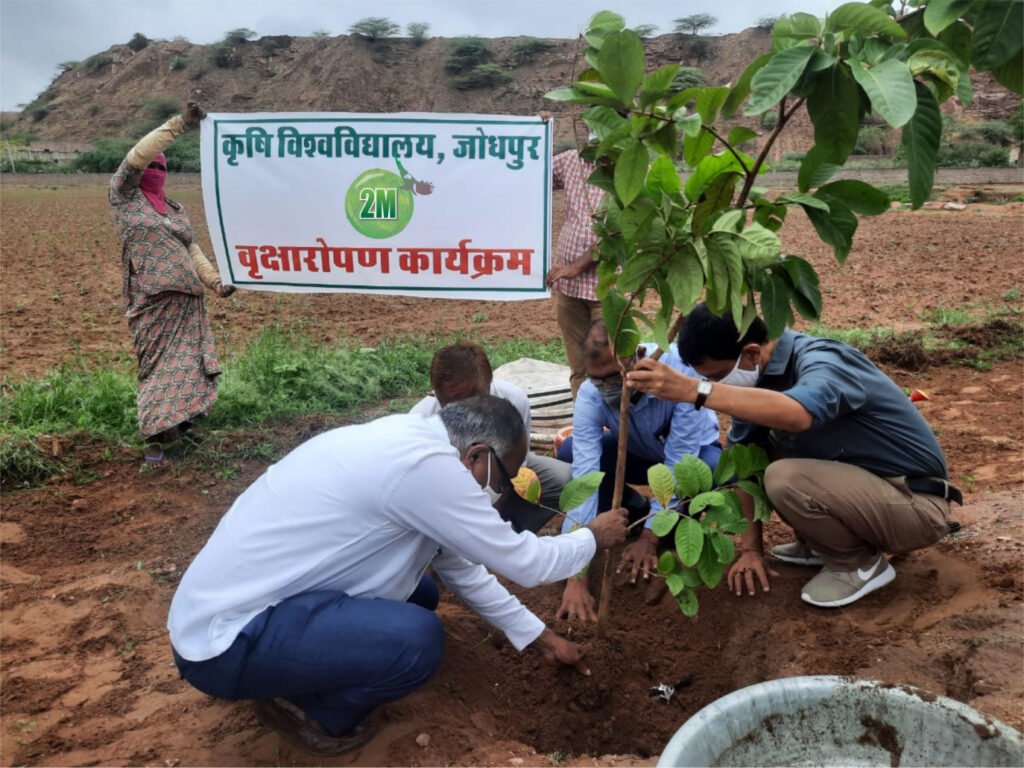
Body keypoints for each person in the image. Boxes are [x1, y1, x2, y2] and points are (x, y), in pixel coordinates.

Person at [168, 396, 628, 756]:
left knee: (420, 594)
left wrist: (543, 639)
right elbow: (527, 564)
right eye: (503, 479)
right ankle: (312, 711)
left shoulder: (410, 440)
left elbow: (462, 569)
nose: (502, 493)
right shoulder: (427, 469)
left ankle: (291, 671)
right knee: (417, 640)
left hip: (237, 606)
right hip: (223, 643)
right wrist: (591, 537)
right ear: (477, 455)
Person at [625, 302, 961, 609]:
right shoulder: (758, 383)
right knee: (758, 457)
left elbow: (798, 414)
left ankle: (857, 564)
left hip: (914, 506)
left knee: (783, 477)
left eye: (715, 376)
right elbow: (743, 466)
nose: (712, 383)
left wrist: (693, 390)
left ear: (752, 353)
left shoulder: (822, 360)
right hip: (872, 498)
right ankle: (822, 542)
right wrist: (751, 550)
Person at [555, 320, 722, 622]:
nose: (606, 388)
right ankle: (636, 508)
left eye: (613, 378)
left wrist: (648, 539)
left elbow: (678, 461)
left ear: (637, 356)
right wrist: (576, 575)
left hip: (692, 456)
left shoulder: (679, 372)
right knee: (570, 450)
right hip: (638, 456)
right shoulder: (591, 395)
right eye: (597, 379)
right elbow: (585, 478)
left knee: (709, 470)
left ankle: (681, 523)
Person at [109, 100, 234, 465]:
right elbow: (136, 157)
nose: (157, 171)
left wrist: (215, 282)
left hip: (188, 301)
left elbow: (191, 249)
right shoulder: (125, 197)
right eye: (152, 165)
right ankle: (154, 436)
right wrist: (179, 124)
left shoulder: (176, 210)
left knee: (189, 366)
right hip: (152, 301)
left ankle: (182, 428)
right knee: (156, 368)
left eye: (163, 167)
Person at [410, 341, 572, 532]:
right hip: (447, 494)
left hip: (505, 473)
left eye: (472, 400)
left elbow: (518, 468)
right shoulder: (420, 423)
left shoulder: (513, 399)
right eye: (450, 404)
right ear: (435, 394)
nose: (462, 412)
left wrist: (497, 514)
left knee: (563, 478)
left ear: (489, 382)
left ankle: (514, 531)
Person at [542, 116, 605, 398]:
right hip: (568, 288)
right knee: (578, 366)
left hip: (607, 287)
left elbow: (618, 235)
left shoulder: (633, 172)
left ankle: (616, 419)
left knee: (610, 361)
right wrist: (537, 136)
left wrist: (576, 267)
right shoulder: (571, 161)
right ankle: (583, 416)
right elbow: (531, 173)